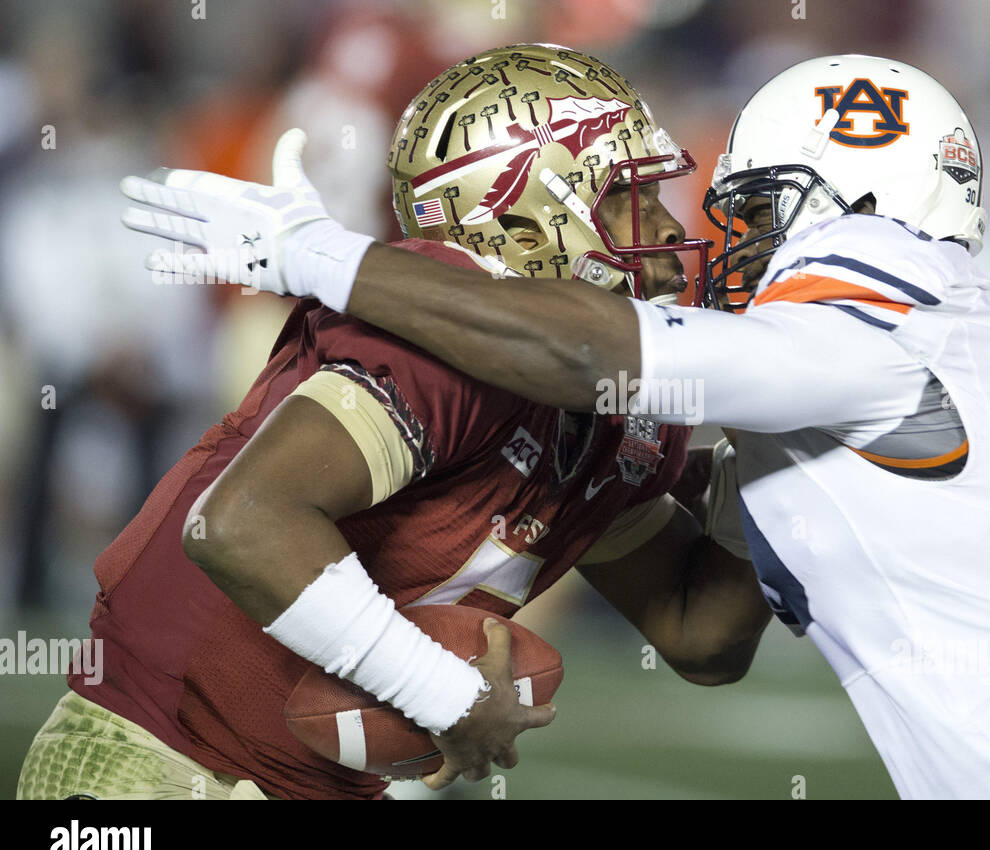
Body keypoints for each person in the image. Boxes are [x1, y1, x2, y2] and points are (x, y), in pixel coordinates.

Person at [120, 53, 990, 799]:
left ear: (846, 203)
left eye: (753, 208)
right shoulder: (919, 315)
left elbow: (588, 352)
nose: (712, 240)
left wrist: (315, 253)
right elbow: (706, 629)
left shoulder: (876, 283)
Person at [18, 44, 768, 801]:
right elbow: (242, 524)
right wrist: (445, 696)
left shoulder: (608, 394)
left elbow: (699, 634)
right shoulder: (434, 337)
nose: (671, 232)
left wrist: (769, 444)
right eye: (625, 197)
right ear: (525, 216)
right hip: (162, 766)